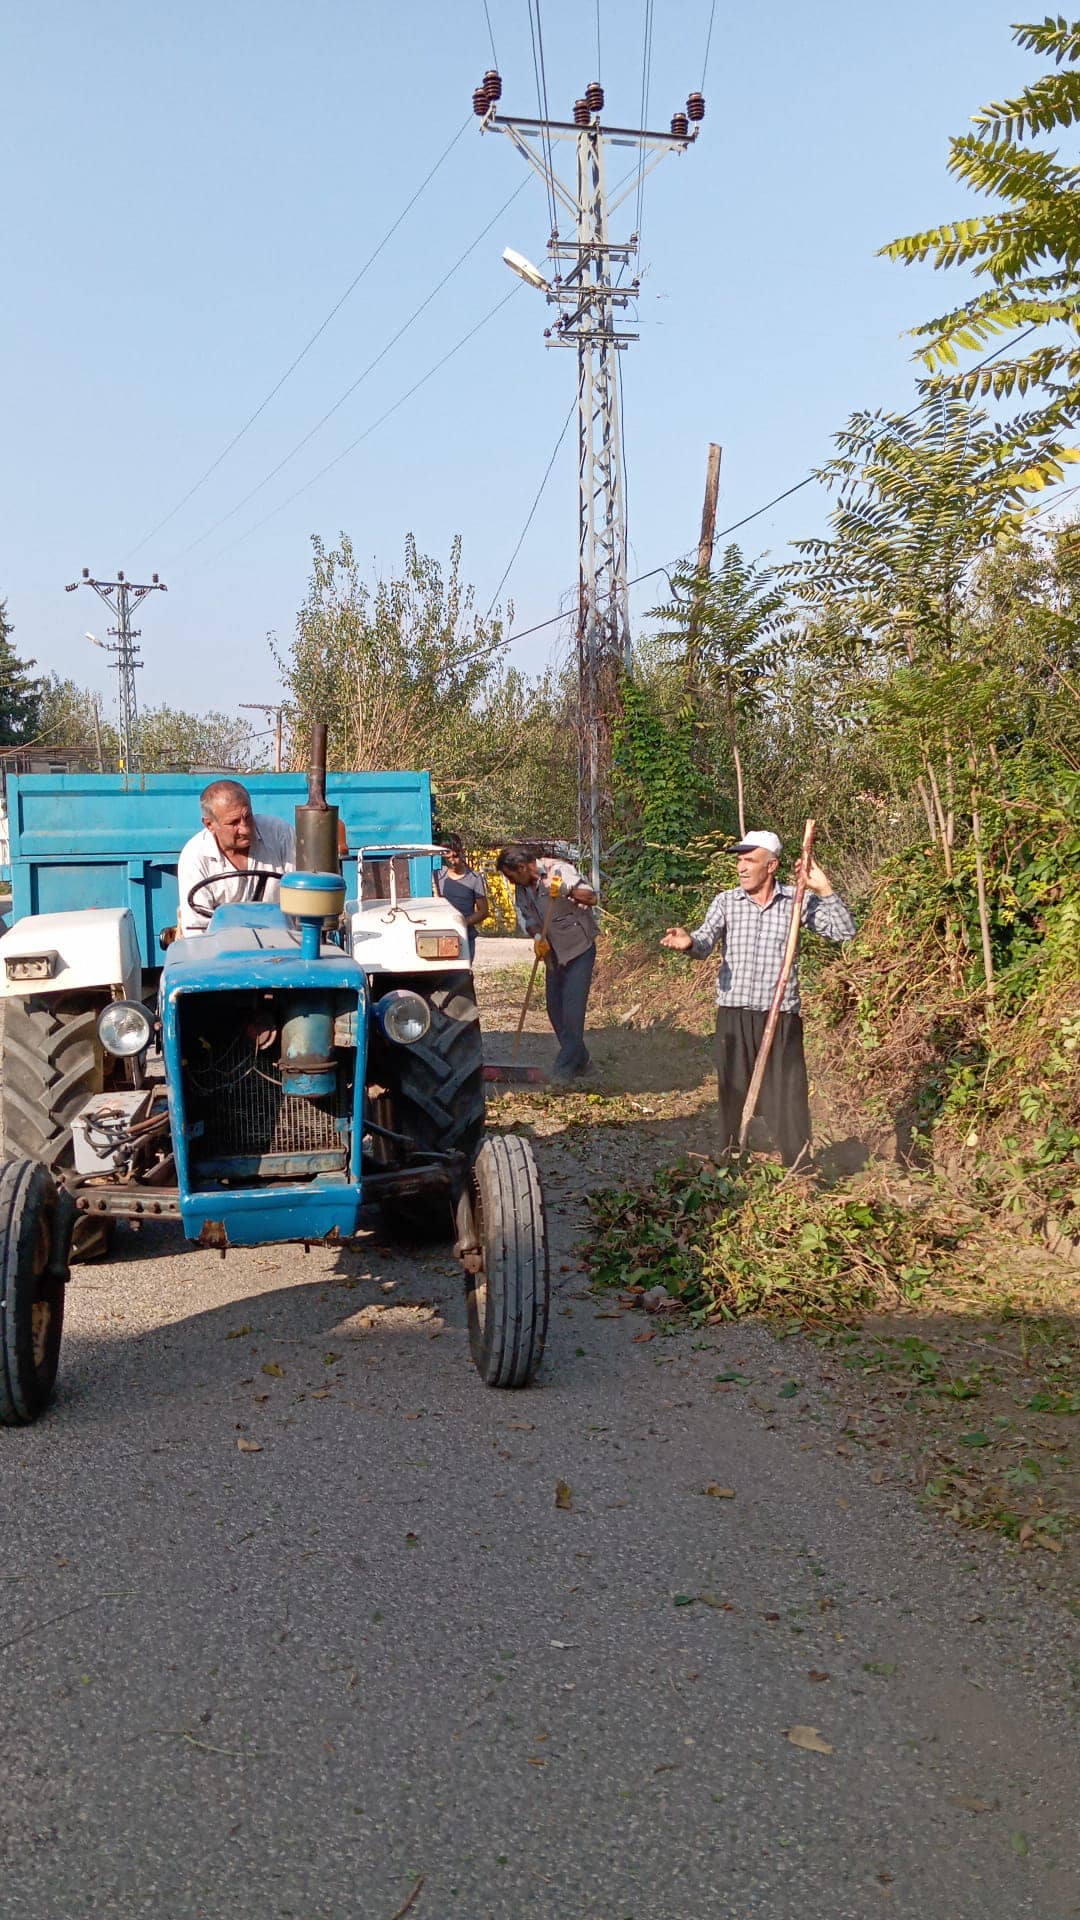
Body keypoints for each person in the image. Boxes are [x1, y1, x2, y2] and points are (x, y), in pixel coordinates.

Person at [661, 829, 855, 1167]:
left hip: (780, 1016)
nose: (741, 867)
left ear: (772, 865)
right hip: (734, 1015)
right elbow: (704, 942)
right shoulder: (726, 902)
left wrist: (823, 888)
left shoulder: (797, 902)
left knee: (787, 1094)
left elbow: (844, 933)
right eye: (739, 860)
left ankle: (798, 1166)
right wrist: (688, 942)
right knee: (732, 1092)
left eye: (750, 860)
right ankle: (730, 1162)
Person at [496, 845, 599, 1083]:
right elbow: (528, 917)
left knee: (572, 1012)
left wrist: (565, 890)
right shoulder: (522, 889)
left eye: (510, 875)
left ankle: (562, 1072)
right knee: (555, 1010)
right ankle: (583, 1061)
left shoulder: (559, 870)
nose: (509, 881)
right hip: (553, 955)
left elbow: (591, 897)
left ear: (521, 867)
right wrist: (537, 937)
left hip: (578, 950)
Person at [177, 780, 296, 938]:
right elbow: (197, 931)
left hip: (283, 942)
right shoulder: (195, 857)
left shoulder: (279, 834)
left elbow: (301, 898)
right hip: (220, 949)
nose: (245, 829)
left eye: (247, 817)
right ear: (209, 824)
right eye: (234, 823)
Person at [434, 834, 489, 961]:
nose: (452, 861)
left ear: (461, 853)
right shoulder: (436, 876)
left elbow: (483, 911)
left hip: (465, 938)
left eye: (455, 856)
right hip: (441, 937)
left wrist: (463, 922)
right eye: (447, 857)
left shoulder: (474, 878)